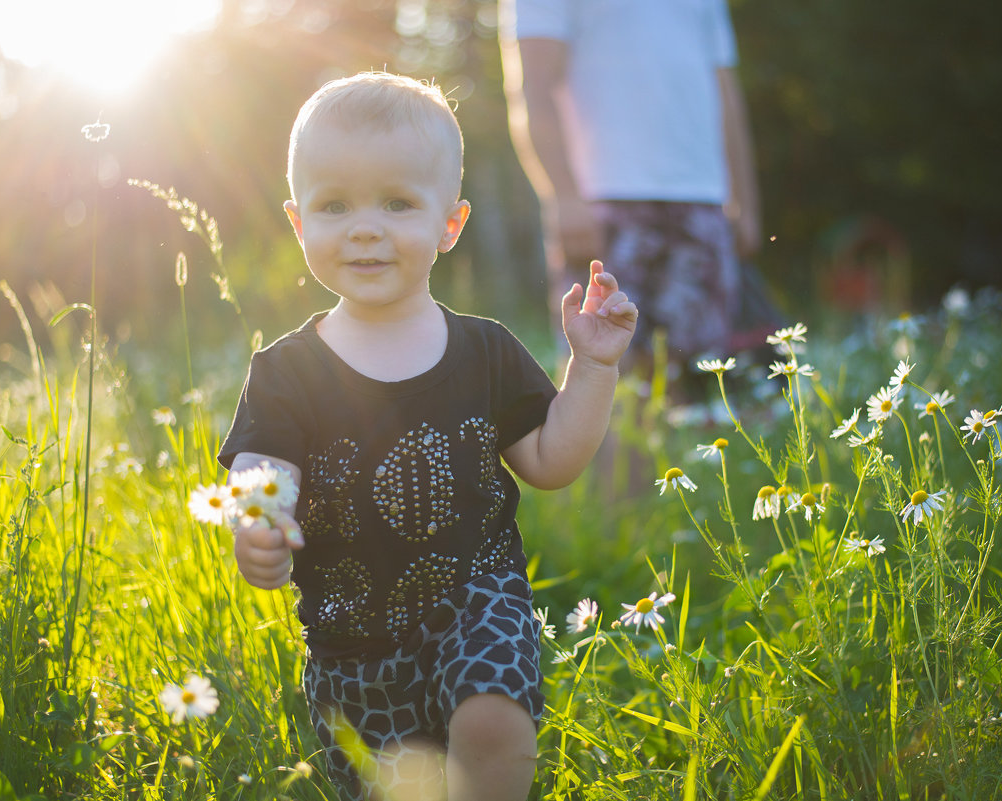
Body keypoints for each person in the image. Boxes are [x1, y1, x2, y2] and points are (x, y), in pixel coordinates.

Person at [217, 72, 637, 801]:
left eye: (397, 202)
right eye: (334, 204)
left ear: (450, 222)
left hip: (478, 604)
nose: (365, 226)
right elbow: (261, 462)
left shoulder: (485, 351)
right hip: (353, 647)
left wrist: (593, 367)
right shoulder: (285, 371)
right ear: (298, 223)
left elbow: (550, 460)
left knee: (492, 715)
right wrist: (255, 516)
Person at [500, 0, 767, 377]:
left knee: (697, 379)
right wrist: (563, 196)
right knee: (601, 377)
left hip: (703, 202)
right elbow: (533, 88)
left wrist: (745, 203)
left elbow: (725, 91)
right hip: (603, 201)